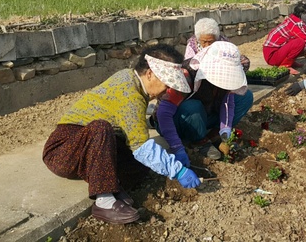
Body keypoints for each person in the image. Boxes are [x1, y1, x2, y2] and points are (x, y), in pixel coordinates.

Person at [42, 45, 201, 225]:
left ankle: (111, 184)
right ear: (149, 74)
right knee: (101, 128)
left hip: (87, 146)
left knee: (139, 167)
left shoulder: (131, 79)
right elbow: (141, 146)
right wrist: (177, 170)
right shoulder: (130, 94)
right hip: (63, 150)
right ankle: (104, 200)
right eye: (166, 84)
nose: (167, 91)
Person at [153, 41, 253, 161]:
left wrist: (224, 129)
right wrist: (176, 146)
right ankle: (199, 141)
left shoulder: (225, 81)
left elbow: (228, 103)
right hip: (176, 121)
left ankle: (213, 136)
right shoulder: (186, 74)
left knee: (245, 97)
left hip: (202, 115)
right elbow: (163, 114)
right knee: (193, 107)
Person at [263, 2, 306, 75]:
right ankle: (285, 66)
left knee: (300, 44)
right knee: (300, 43)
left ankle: (290, 61)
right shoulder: (295, 25)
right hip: (272, 55)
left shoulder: (294, 20)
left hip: (274, 51)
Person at [185, 17, 251, 72]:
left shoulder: (224, 43)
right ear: (198, 39)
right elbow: (189, 64)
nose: (207, 45)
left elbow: (232, 57)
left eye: (210, 42)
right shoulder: (192, 44)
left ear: (216, 38)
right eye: (204, 42)